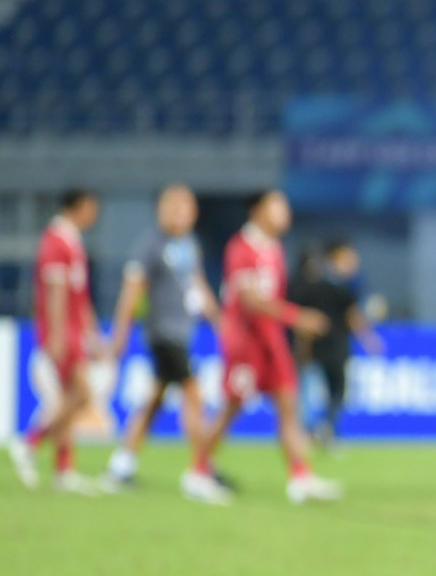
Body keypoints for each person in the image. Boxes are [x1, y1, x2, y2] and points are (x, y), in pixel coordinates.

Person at [188, 190, 341, 505]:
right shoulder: (241, 248)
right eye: (277, 206)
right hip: (246, 341)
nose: (284, 213)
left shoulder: (273, 248)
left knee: (289, 405)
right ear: (257, 211)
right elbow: (249, 300)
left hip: (272, 339)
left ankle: (301, 476)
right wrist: (297, 318)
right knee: (231, 407)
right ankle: (198, 471)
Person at [104, 184, 221, 489]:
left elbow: (197, 285)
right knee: (194, 394)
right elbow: (132, 290)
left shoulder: (190, 245)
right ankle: (200, 469)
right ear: (162, 210)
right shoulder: (151, 245)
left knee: (154, 400)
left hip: (183, 332)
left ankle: (122, 465)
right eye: (175, 207)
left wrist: (219, 320)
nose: (182, 214)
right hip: (163, 333)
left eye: (187, 208)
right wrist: (120, 333)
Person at [9, 189, 106, 494]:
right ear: (77, 207)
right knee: (82, 395)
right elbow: (55, 292)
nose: (95, 213)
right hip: (63, 332)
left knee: (69, 398)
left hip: (73, 331)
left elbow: (80, 295)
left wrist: (91, 334)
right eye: (91, 207)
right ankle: (31, 442)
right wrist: (57, 335)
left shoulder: (72, 241)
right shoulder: (55, 242)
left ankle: (64, 470)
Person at [291, 237, 383, 448]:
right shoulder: (342, 287)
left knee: (313, 391)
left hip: (316, 347)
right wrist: (369, 339)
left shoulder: (315, 283)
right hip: (336, 347)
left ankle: (314, 431)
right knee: (336, 392)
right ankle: (323, 429)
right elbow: (352, 316)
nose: (353, 262)